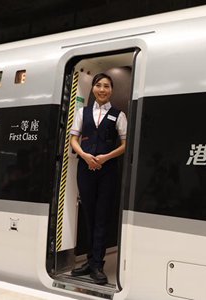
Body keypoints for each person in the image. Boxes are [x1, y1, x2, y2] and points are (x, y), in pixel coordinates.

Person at [69, 73, 127, 285]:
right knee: (89, 215)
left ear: (111, 90)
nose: (102, 89)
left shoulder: (118, 115)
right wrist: (84, 156)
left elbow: (125, 144)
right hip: (85, 169)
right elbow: (74, 139)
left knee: (102, 217)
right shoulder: (82, 112)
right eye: (99, 85)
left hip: (108, 171)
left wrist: (105, 157)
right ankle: (89, 261)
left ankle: (97, 264)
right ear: (93, 88)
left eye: (107, 86)